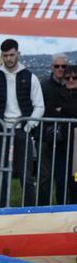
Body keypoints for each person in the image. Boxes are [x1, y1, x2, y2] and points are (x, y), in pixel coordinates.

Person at [0, 38, 44, 207]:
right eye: (6, 56)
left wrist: (28, 127)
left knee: (26, 175)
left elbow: (39, 105)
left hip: (21, 131)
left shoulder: (30, 77)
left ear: (18, 53)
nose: (9, 59)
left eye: (12, 55)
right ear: (2, 56)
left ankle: (29, 214)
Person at [39, 53, 70, 204]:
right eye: (57, 66)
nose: (60, 69)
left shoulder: (71, 84)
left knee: (64, 177)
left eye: (63, 66)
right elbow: (41, 109)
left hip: (67, 139)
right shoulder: (43, 85)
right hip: (46, 137)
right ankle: (42, 211)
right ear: (52, 67)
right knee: (45, 177)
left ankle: (62, 210)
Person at [58, 65, 77, 202]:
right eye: (67, 77)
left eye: (74, 77)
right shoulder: (58, 93)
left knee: (75, 179)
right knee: (62, 180)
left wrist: (62, 109)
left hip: (76, 145)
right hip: (62, 144)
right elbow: (50, 110)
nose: (71, 80)